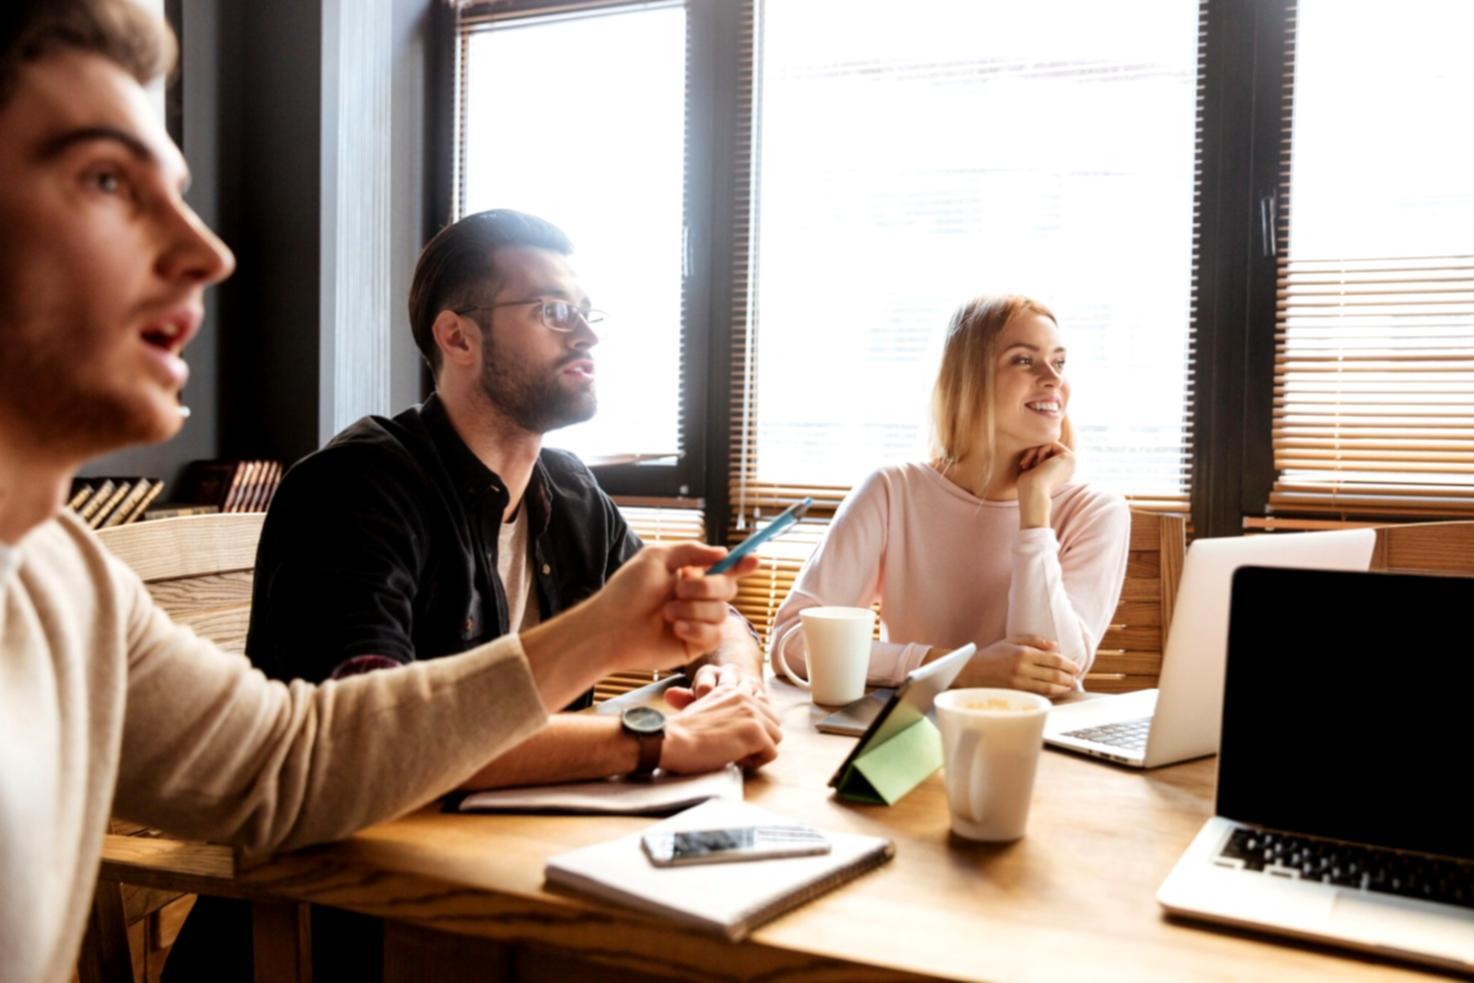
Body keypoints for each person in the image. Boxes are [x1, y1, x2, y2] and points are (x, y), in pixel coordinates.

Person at [0, 4, 757, 980]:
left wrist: (644, 647)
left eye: (176, 188)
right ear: (457, 335)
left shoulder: (61, 576)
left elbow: (290, 759)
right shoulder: (360, 485)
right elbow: (333, 734)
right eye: (106, 177)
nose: (209, 252)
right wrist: (649, 732)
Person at [769, 294, 1130, 697]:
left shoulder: (1096, 510)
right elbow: (792, 644)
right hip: (910, 738)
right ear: (969, 379)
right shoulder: (893, 492)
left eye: (1059, 362)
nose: (1053, 378)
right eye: (1024, 360)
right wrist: (956, 668)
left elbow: (1051, 671)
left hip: (1040, 742)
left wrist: (1035, 510)